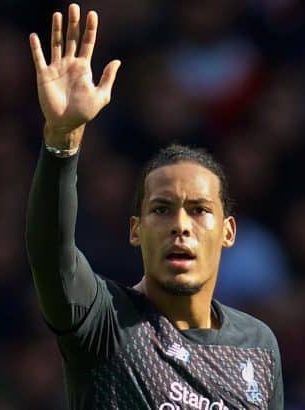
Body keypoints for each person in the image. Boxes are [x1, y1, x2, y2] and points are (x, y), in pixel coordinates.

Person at [25, 4, 284, 409]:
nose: (181, 225)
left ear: (228, 231)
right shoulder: (106, 324)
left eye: (199, 209)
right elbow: (50, 253)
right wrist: (62, 137)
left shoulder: (258, 345)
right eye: (161, 209)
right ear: (135, 229)